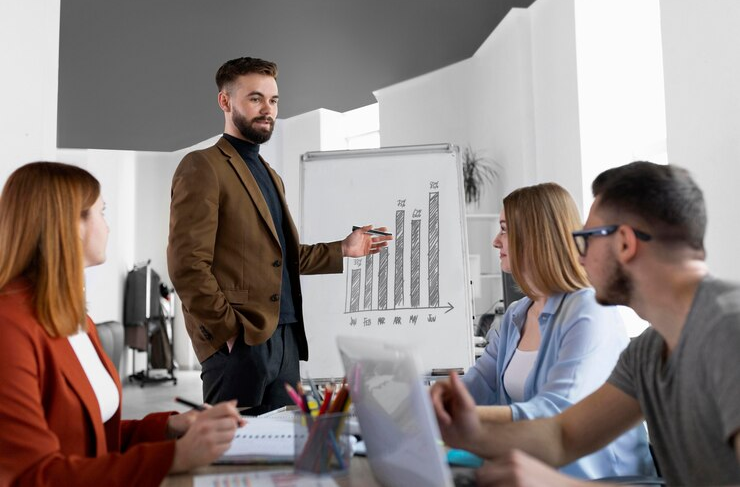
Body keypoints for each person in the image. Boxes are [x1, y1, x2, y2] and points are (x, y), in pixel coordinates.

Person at [432, 161, 740, 486]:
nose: (579, 256)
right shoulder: (650, 350)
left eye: (587, 239)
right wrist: (470, 429)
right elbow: (562, 436)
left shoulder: (728, 330)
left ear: (624, 243)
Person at [167, 56, 391, 414]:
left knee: (286, 452)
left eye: (273, 100)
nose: (267, 109)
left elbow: (282, 257)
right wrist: (228, 332)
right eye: (255, 98)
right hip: (241, 343)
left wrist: (344, 249)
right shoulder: (202, 166)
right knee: (234, 453)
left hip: (286, 339)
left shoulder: (271, 175)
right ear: (225, 102)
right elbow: (187, 264)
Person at [0, 162, 245, 487]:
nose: (107, 227)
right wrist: (175, 457)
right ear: (70, 224)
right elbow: (32, 476)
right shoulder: (10, 328)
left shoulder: (74, 318)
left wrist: (170, 428)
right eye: (101, 212)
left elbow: (93, 437)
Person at [431, 182, 654, 479]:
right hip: (531, 470)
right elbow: (478, 387)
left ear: (536, 236)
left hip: (595, 478)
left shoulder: (590, 310)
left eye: (505, 229)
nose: (496, 241)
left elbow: (556, 410)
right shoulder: (517, 315)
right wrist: (424, 401)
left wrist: (459, 414)